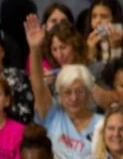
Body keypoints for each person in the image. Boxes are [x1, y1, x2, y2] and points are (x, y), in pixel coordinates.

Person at [25, 14, 98, 159]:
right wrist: (35, 48)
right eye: (67, 92)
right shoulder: (52, 115)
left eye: (79, 91)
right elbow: (37, 84)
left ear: (89, 93)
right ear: (59, 94)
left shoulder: (102, 123)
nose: (73, 98)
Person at [84, 0, 123, 70]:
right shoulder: (83, 47)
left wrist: (115, 49)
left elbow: (118, 77)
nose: (97, 21)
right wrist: (90, 53)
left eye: (104, 16)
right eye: (94, 16)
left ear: (115, 20)